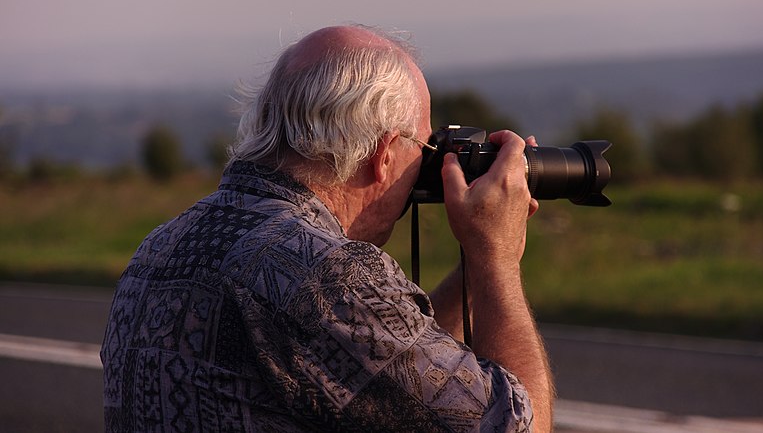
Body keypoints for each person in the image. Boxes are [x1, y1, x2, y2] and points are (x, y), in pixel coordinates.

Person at [101, 24, 554, 432]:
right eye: (423, 145)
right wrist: (495, 258)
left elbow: (403, 370)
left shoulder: (158, 248)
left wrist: (477, 259)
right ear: (384, 153)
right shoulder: (329, 276)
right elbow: (516, 427)